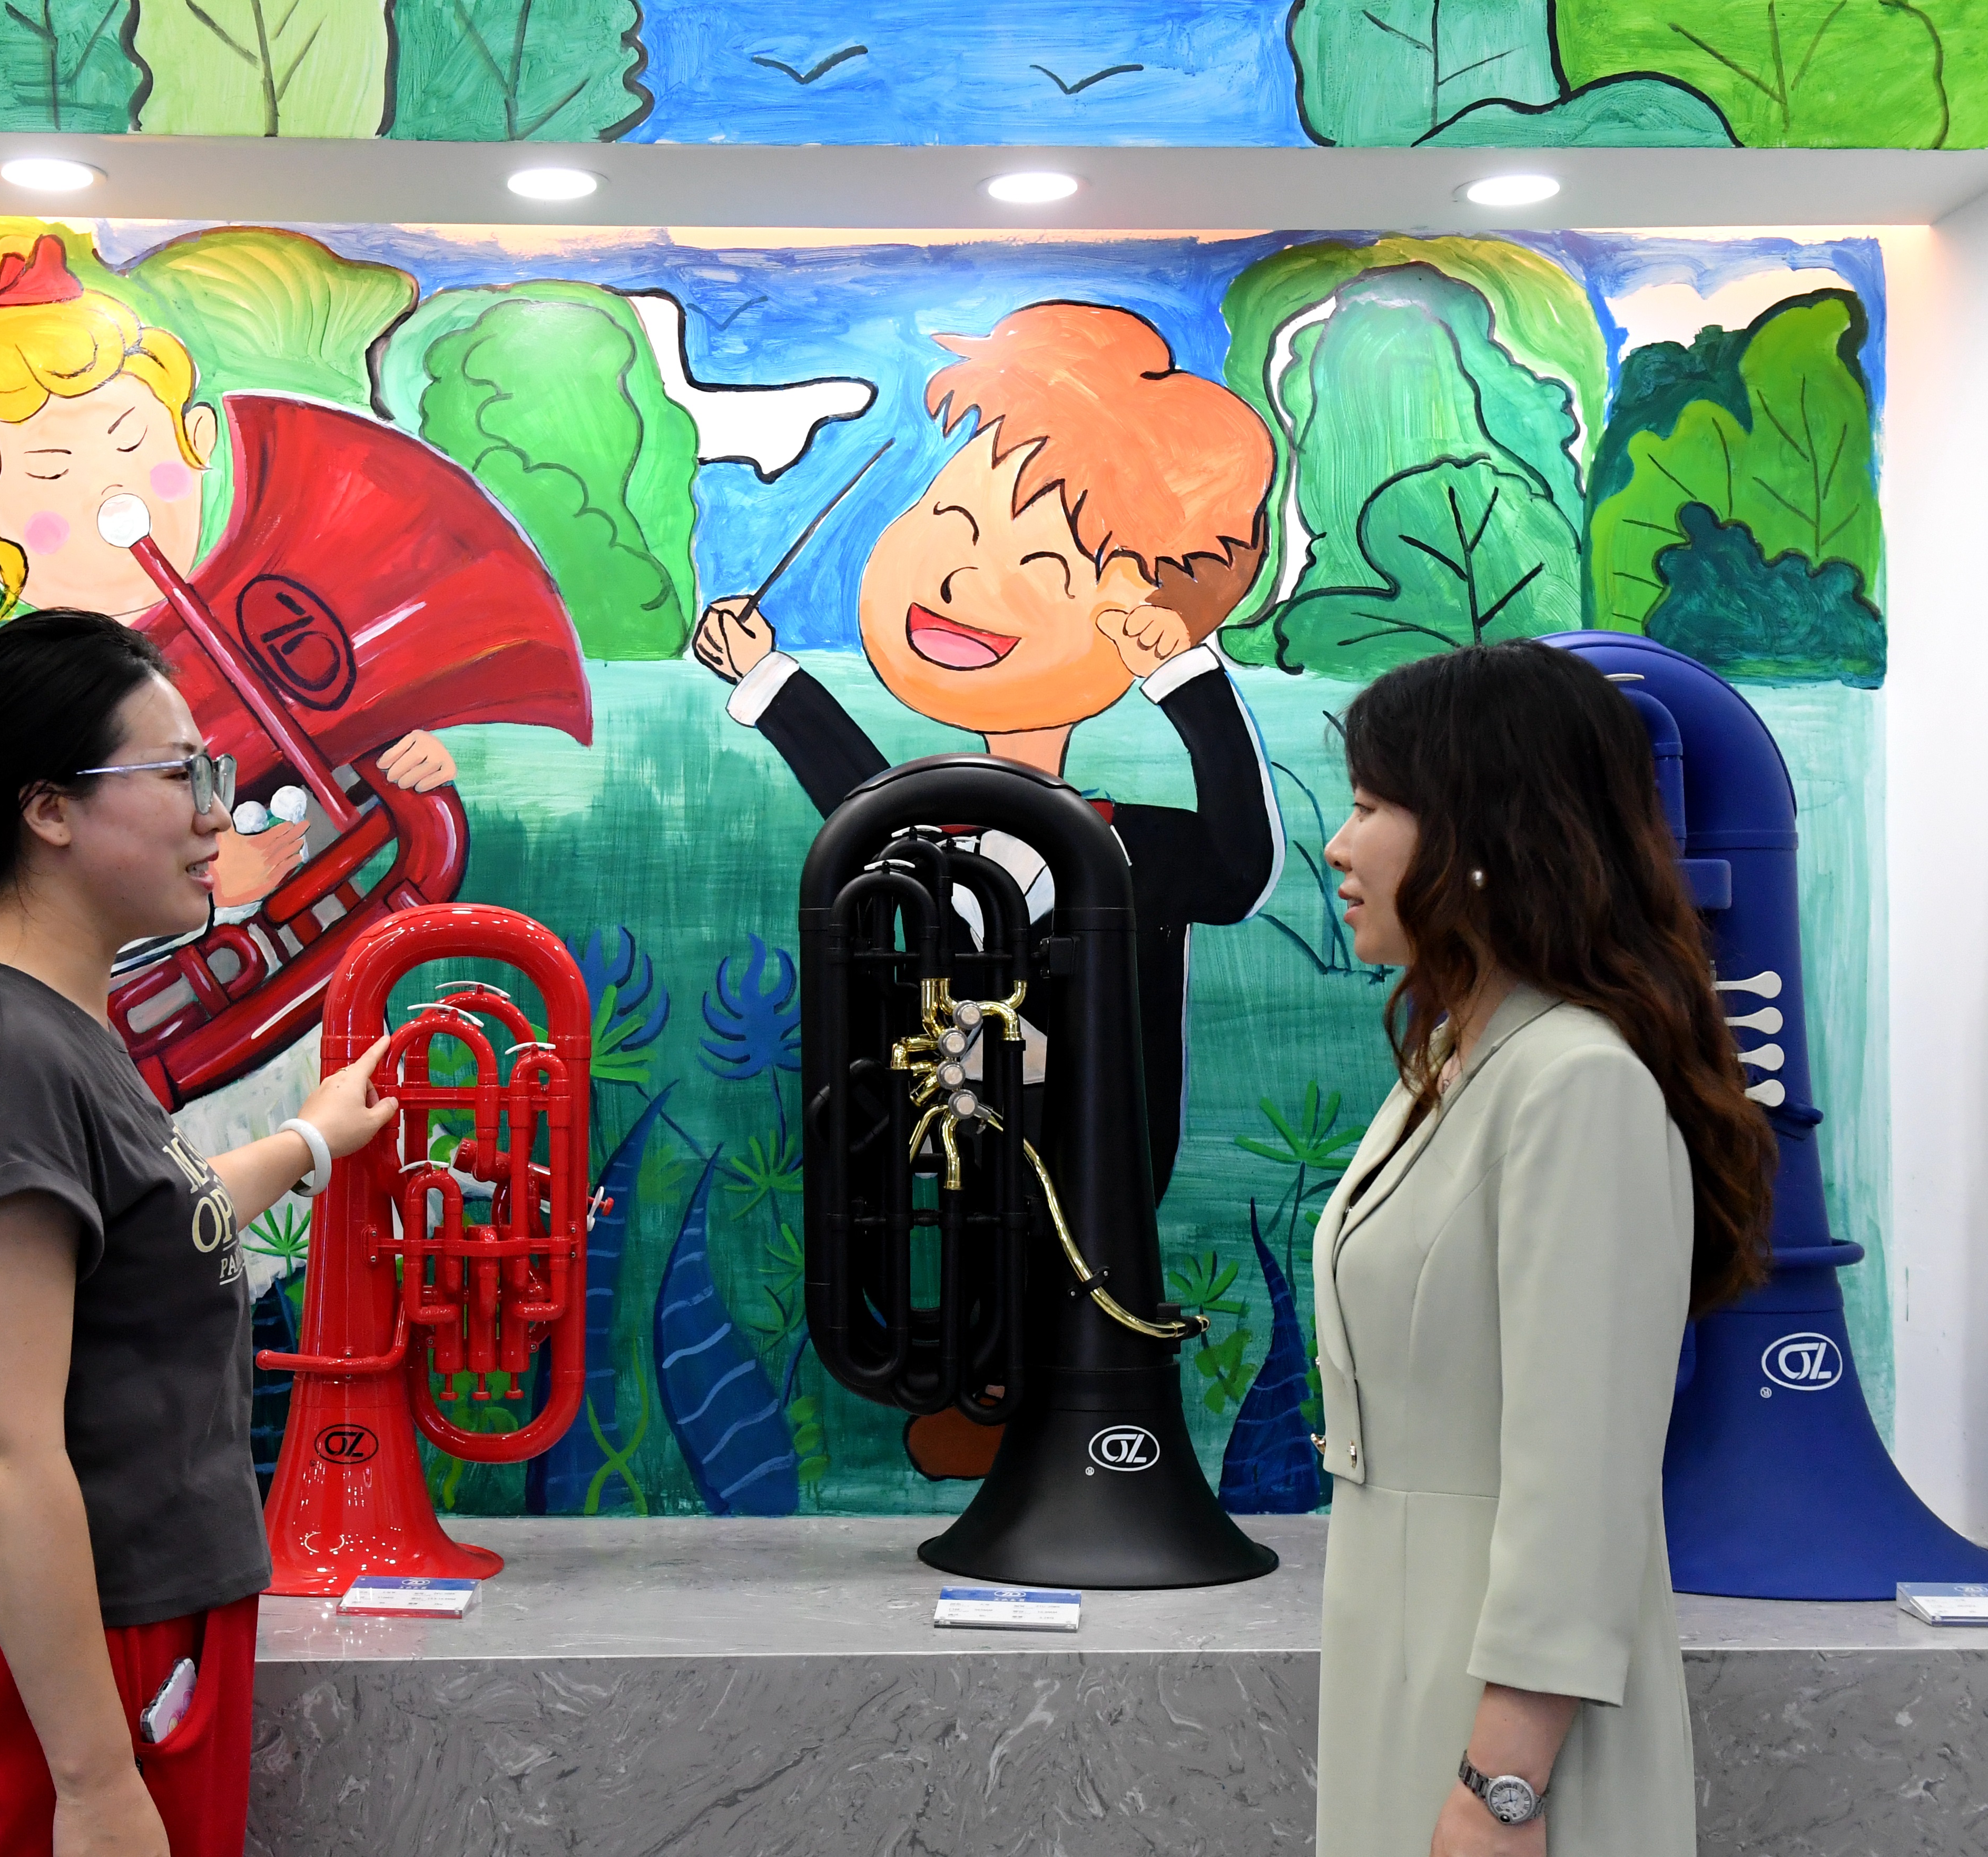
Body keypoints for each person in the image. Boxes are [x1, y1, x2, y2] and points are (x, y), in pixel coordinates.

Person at [0, 609, 400, 1856]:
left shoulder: (51, 1028)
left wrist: (311, 1139)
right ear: (49, 809)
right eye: (180, 775)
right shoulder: (4, 1056)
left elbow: (152, 1219)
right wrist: (99, 1781)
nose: (218, 815)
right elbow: (0, 1450)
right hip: (82, 1666)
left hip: (125, 1642)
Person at [1310, 640, 1778, 1855]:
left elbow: (1582, 1474)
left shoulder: (1576, 1082)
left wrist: (1501, 1783)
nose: (1340, 846)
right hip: (1405, 1650)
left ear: (1486, 832)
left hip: (1510, 1715)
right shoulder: (1456, 1058)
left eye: (1373, 806)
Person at [692, 300, 1285, 1206]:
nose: (961, 578)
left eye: (1044, 569)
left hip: (1101, 1195)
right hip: (952, 1186)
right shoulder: (927, 838)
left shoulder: (1139, 851)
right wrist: (769, 679)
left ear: (1150, 616)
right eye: (950, 522)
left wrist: (1186, 678)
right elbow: (870, 805)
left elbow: (1241, 870)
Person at [0, 229, 456, 915]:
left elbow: (331, 735)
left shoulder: (264, 615)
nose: (114, 493)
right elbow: (23, 851)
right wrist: (202, 882)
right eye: (49, 471)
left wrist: (402, 757)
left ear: (198, 441)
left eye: (133, 442)